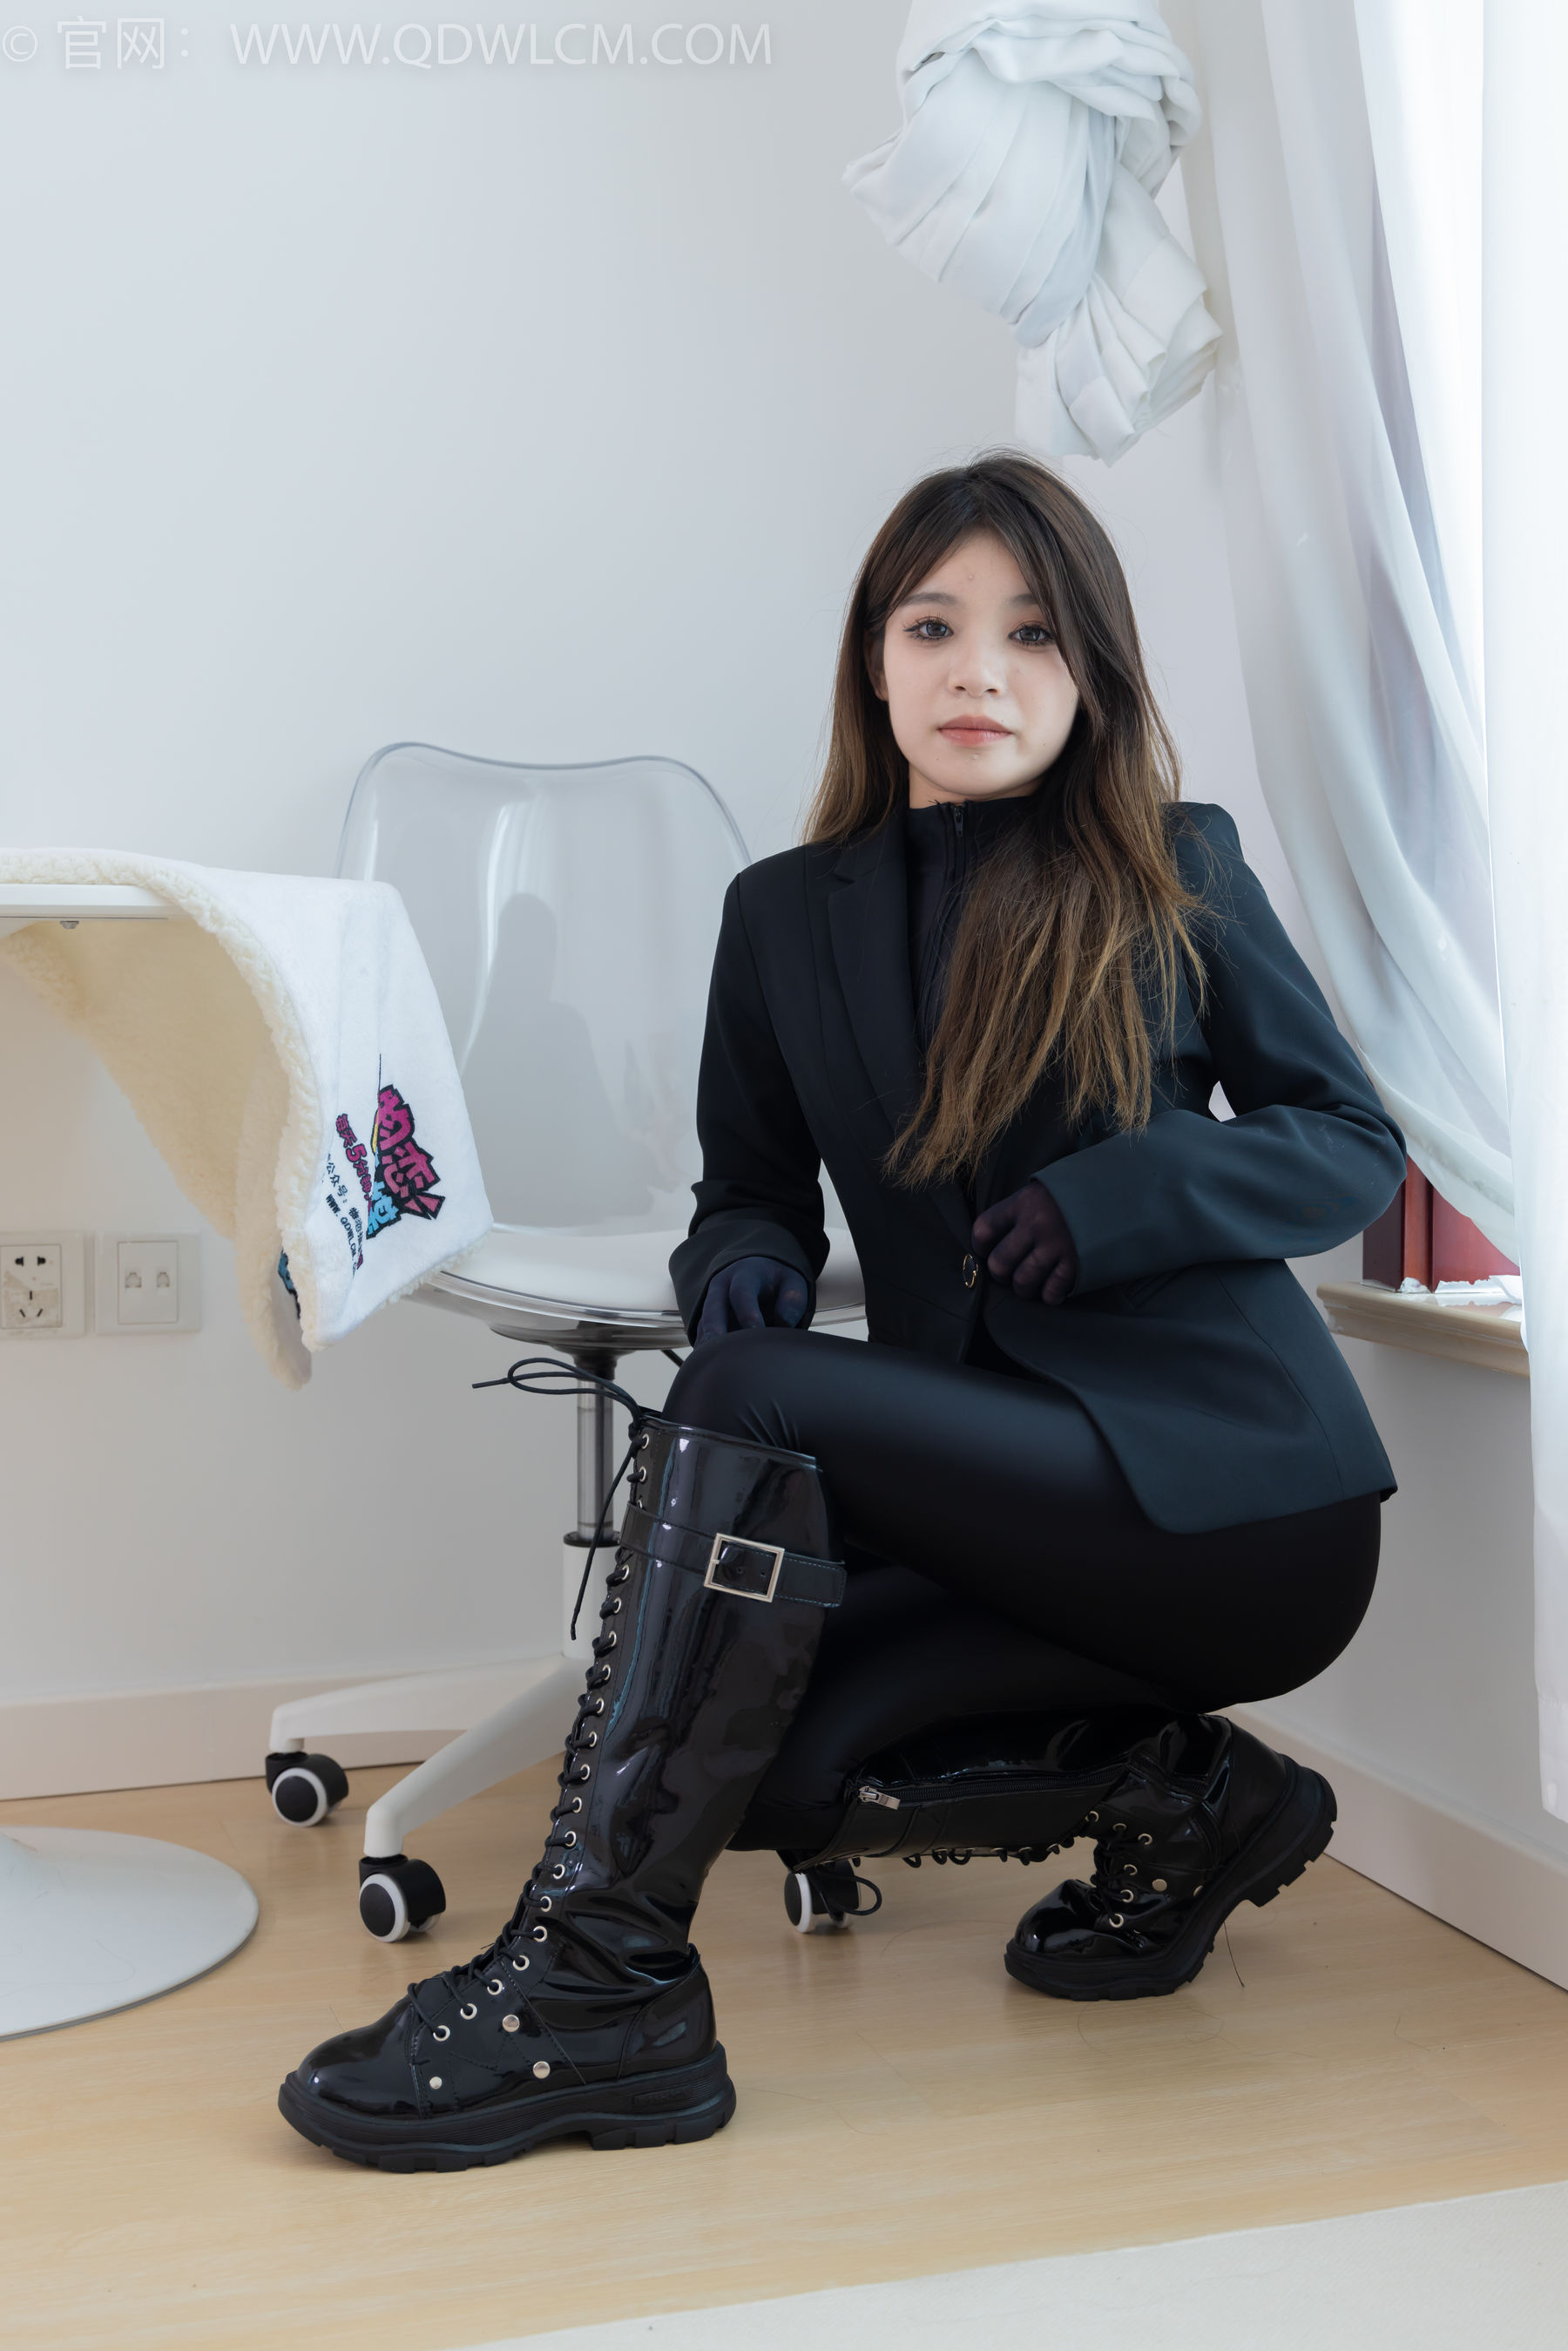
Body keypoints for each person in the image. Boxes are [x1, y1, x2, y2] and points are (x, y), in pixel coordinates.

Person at [280, 454, 1403, 2171]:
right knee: (769, 1767)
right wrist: (745, 1262)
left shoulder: (1175, 869)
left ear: (1091, 674)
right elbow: (749, 1185)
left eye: (1031, 634)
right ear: (875, 663)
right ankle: (1195, 1793)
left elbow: (1347, 1141)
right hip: (992, 1499)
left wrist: (1117, 1200)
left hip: (1237, 1498)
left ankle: (598, 1989)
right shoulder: (782, 919)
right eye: (933, 627)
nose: (978, 671)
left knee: (753, 1401)